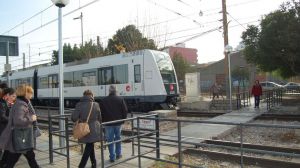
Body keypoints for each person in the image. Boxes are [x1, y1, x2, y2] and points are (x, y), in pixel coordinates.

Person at [0, 85, 39, 168]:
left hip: (20, 137)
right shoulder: (21, 104)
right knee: (29, 158)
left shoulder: (20, 102)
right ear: (25, 93)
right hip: (21, 137)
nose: (32, 94)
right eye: (30, 92)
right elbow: (19, 121)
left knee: (29, 158)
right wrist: (31, 118)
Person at [72, 90, 101, 168]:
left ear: (83, 95)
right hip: (94, 129)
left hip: (84, 129)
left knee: (89, 145)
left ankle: (88, 164)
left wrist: (81, 118)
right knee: (90, 145)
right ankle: (89, 164)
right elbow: (100, 118)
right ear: (92, 95)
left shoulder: (79, 104)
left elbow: (74, 118)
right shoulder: (96, 104)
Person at [100, 85, 128, 163]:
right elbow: (125, 111)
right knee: (118, 138)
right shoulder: (120, 99)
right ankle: (118, 154)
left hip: (108, 123)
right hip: (118, 123)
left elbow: (101, 113)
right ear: (116, 91)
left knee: (110, 140)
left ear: (109, 91)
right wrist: (123, 120)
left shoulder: (103, 100)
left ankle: (112, 157)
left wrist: (103, 121)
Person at [0, 88, 16, 167]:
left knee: (8, 148)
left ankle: (4, 163)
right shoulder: (1, 103)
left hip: (5, 129)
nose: (14, 98)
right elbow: (2, 116)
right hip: (2, 130)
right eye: (12, 96)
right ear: (7, 95)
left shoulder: (5, 103)